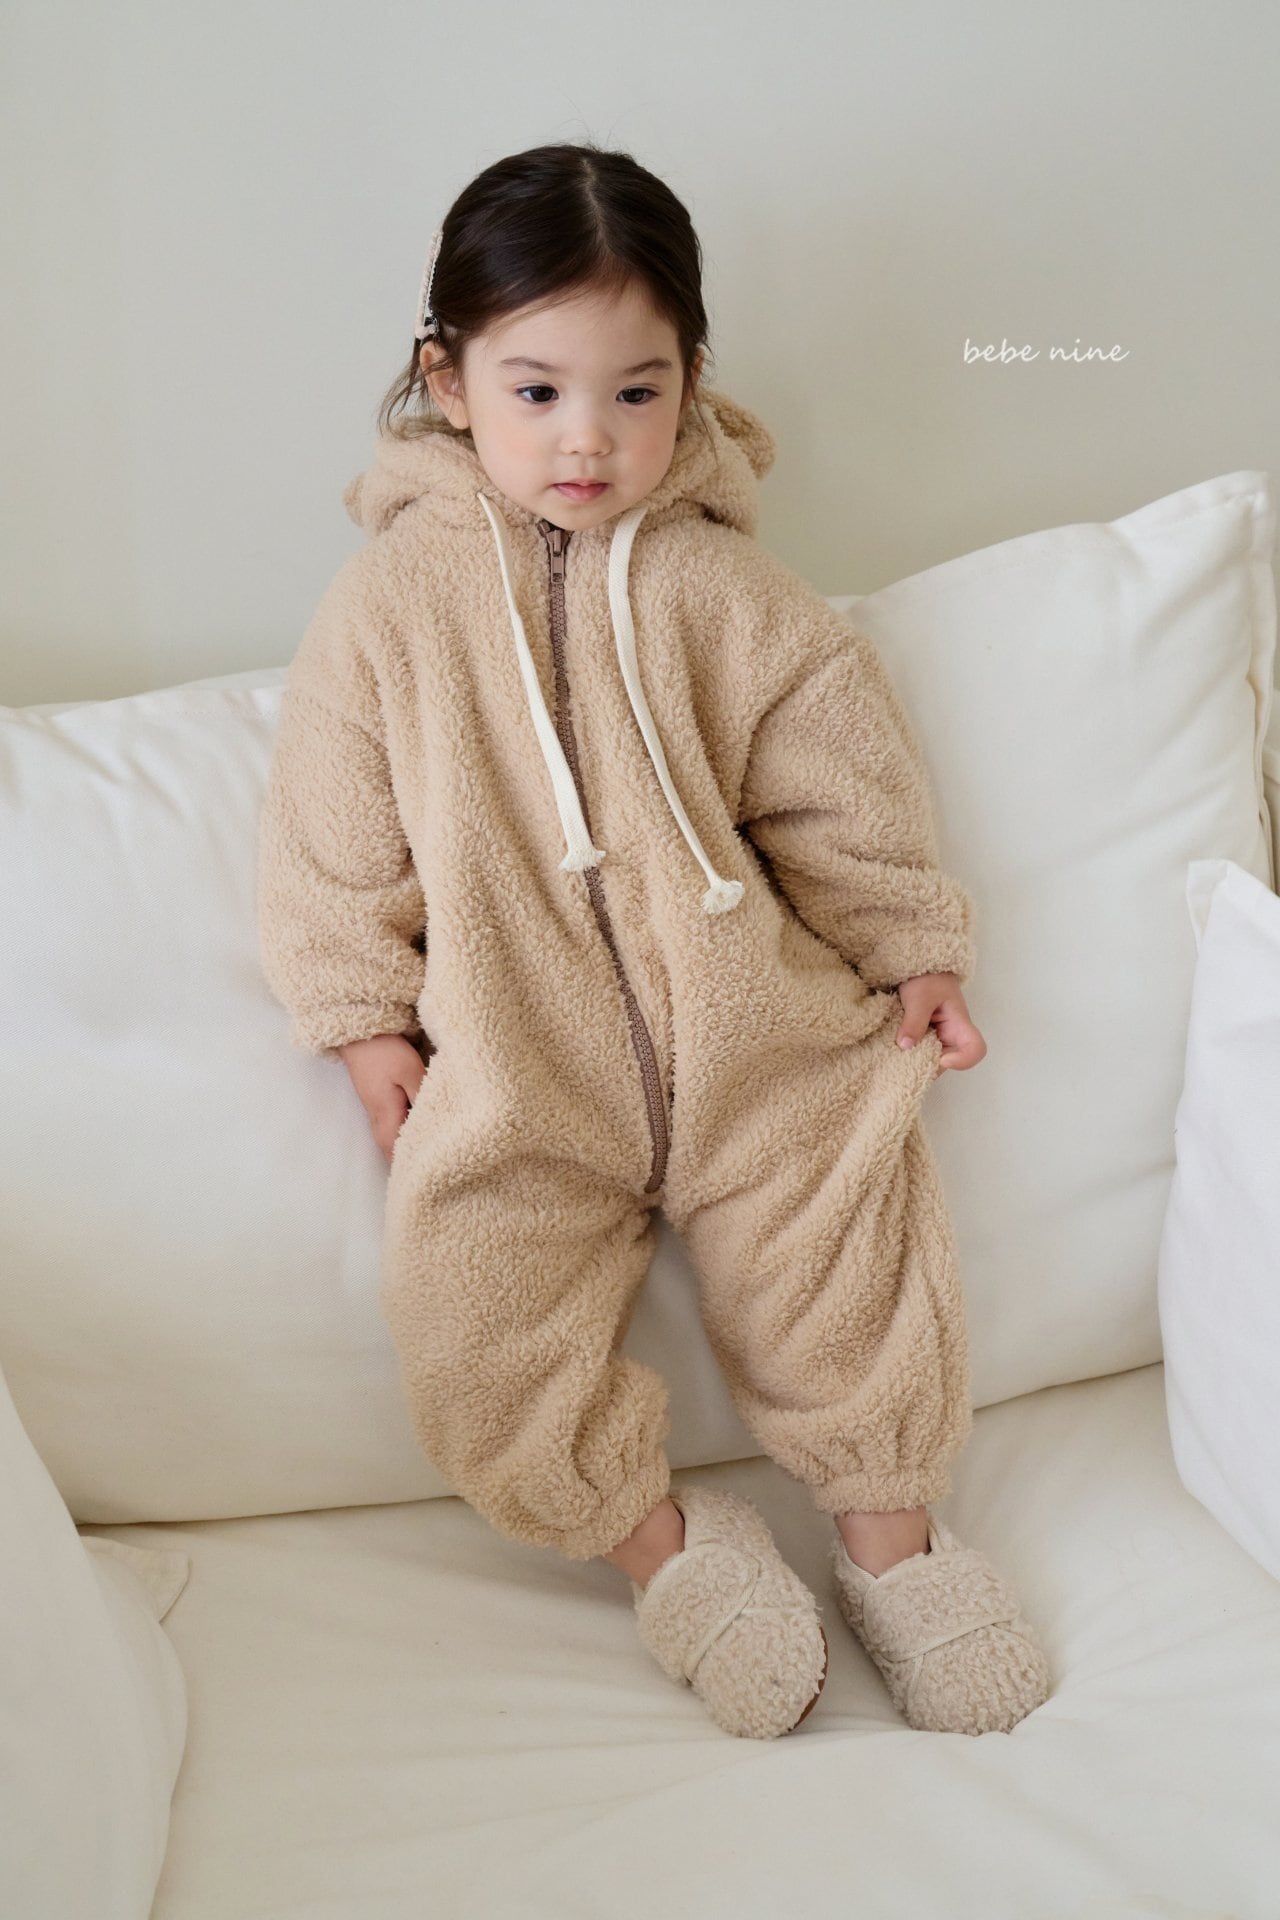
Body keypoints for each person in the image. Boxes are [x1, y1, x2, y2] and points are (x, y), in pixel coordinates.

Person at [257, 139, 1052, 1742]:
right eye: (537, 389)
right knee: (473, 1328)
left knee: (851, 1250)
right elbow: (330, 837)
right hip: (519, 1060)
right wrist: (360, 1020)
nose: (588, 437)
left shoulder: (731, 593)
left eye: (637, 391)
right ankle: (668, 1546)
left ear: (691, 381)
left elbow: (843, 790)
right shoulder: (388, 611)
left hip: (754, 1032)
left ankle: (892, 1544)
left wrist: (914, 949)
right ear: (447, 378)